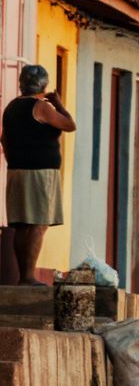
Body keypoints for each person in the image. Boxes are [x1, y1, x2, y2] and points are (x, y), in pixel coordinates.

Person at [2, 65, 74, 285]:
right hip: (40, 174)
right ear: (43, 84)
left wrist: (15, 157)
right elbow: (69, 125)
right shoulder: (40, 107)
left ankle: (24, 276)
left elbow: (4, 139)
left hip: (16, 171)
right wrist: (58, 102)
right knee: (38, 223)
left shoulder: (12, 107)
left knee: (22, 224)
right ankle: (28, 276)